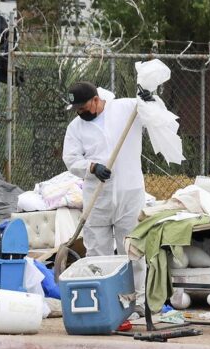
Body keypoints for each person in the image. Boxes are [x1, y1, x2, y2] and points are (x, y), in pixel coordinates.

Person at [62, 81, 153, 314]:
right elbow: (71, 159)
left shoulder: (125, 109)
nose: (80, 113)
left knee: (131, 250)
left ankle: (137, 303)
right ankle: (104, 303)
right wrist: (91, 167)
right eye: (77, 109)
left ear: (95, 100)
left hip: (129, 192)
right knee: (97, 252)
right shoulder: (76, 128)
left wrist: (148, 98)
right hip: (98, 196)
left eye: (83, 107)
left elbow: (152, 114)